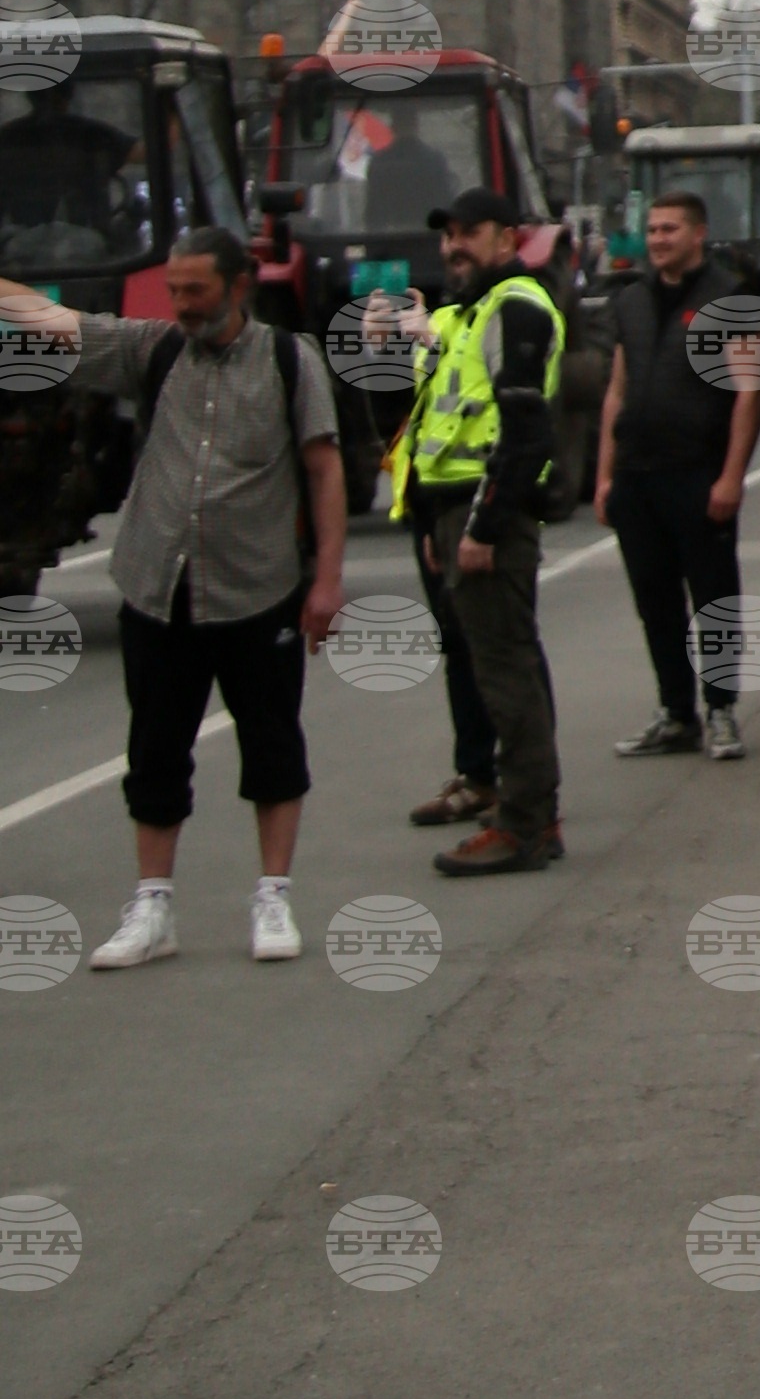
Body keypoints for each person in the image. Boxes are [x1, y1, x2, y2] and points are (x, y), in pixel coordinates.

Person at [0, 230, 346, 969]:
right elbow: (58, 324)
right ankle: (153, 906)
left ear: (238, 286)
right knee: (155, 752)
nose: (182, 305)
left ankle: (273, 895)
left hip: (259, 589)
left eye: (196, 291)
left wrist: (326, 581)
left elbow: (323, 468)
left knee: (272, 743)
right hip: (159, 588)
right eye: (175, 292)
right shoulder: (151, 349)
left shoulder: (290, 361)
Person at [403, 195, 569, 877]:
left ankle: (526, 824)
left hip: (485, 514)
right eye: (447, 234)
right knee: (495, 667)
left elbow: (525, 433)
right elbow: (436, 423)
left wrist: (482, 525)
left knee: (506, 674)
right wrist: (428, 520)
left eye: (468, 233)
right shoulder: (472, 313)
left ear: (508, 238)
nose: (453, 246)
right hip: (455, 511)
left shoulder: (517, 306)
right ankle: (522, 813)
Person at [595, 187, 760, 764]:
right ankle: (675, 712)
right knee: (655, 600)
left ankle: (720, 710)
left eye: (670, 229)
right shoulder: (632, 302)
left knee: (713, 597)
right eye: (653, 229)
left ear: (697, 234)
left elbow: (748, 393)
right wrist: (605, 478)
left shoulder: (729, 297)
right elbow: (615, 392)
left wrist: (732, 477)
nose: (658, 239)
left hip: (699, 474)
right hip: (638, 476)